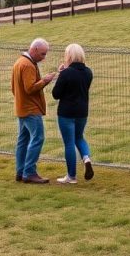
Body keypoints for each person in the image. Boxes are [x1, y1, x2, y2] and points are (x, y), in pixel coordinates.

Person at [11, 37, 57, 184]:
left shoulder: (19, 62)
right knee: (38, 138)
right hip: (31, 109)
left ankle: (20, 171)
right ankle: (29, 172)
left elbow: (14, 87)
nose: (44, 58)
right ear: (35, 49)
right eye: (43, 54)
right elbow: (30, 88)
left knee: (23, 140)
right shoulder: (28, 65)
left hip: (21, 107)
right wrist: (45, 81)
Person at [51, 43, 95, 184]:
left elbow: (56, 94)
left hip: (66, 112)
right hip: (82, 112)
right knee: (79, 137)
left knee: (69, 143)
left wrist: (61, 74)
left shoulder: (66, 73)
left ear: (68, 56)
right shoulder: (88, 72)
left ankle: (71, 176)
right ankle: (86, 158)